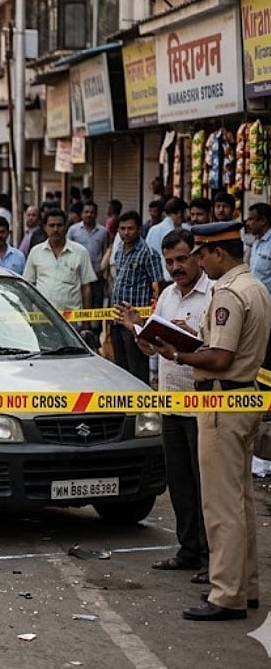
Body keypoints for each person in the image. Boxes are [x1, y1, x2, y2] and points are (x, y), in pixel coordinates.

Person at [148, 221, 271, 621]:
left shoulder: (229, 294)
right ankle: (245, 586)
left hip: (222, 401)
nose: (198, 262)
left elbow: (219, 358)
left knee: (221, 507)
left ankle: (226, 594)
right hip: (243, 396)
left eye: (201, 254)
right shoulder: (254, 287)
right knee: (241, 502)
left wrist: (179, 354)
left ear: (219, 253)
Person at [116, 229, 210, 576]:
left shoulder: (213, 295)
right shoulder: (168, 296)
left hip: (202, 406)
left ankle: (210, 558)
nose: (175, 267)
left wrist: (194, 339)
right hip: (169, 403)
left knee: (205, 489)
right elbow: (152, 350)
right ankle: (188, 551)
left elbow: (216, 349)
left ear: (197, 256)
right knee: (180, 485)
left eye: (182, 259)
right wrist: (137, 330)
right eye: (169, 261)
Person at [108, 211, 163, 383]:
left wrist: (149, 321)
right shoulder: (119, 251)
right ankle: (125, 408)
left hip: (136, 323)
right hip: (117, 319)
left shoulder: (148, 253)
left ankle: (140, 408)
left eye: (130, 228)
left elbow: (157, 286)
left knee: (137, 368)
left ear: (139, 229)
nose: (126, 232)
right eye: (122, 229)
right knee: (120, 369)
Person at [23, 208, 96, 315]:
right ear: (45, 228)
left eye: (59, 225)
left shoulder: (80, 252)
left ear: (66, 227)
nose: (55, 229)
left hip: (72, 319)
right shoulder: (35, 252)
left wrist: (86, 322)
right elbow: (29, 285)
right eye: (51, 225)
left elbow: (86, 288)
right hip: (42, 317)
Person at [68, 200, 109, 315]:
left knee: (96, 306)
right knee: (80, 305)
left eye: (92, 212)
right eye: (86, 212)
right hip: (78, 276)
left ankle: (94, 330)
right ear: (81, 214)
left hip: (97, 276)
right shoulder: (73, 230)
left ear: (96, 214)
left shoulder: (103, 232)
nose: (89, 215)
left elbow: (106, 251)